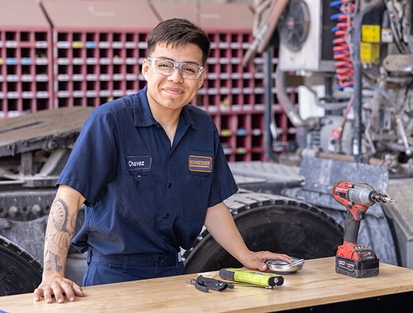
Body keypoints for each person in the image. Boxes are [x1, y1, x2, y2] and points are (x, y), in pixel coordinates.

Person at [33, 18, 291, 304]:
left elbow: (213, 206)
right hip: (113, 274)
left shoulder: (203, 127)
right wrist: (52, 273)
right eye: (165, 65)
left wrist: (246, 256)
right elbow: (68, 198)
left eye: (189, 69)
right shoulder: (111, 121)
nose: (176, 77)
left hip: (172, 270)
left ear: (201, 78)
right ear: (146, 69)